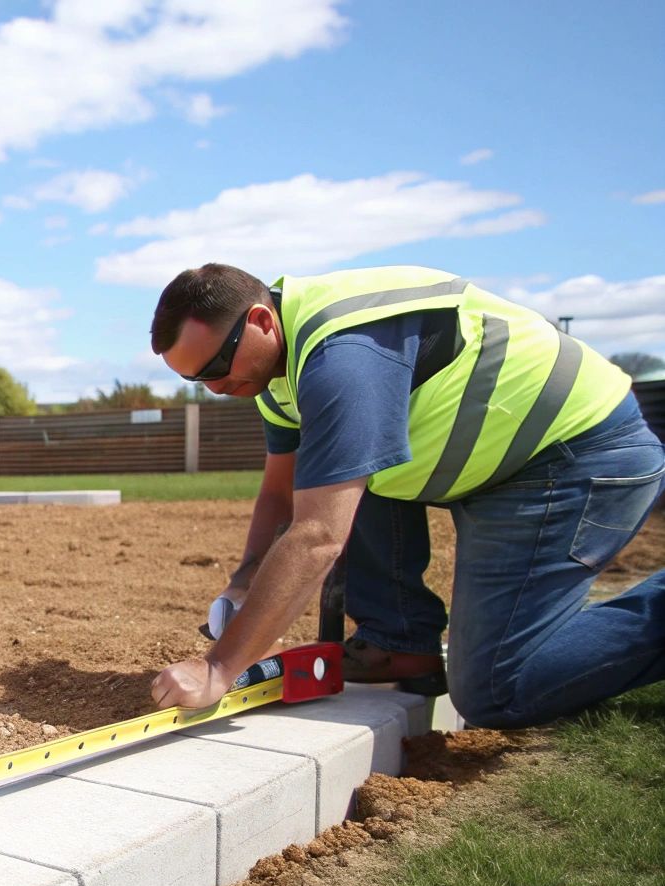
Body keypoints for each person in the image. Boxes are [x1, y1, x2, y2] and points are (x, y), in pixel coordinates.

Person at [145, 263, 664, 728]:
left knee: (496, 689)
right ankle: (400, 643)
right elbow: (280, 494)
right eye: (195, 380)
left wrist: (219, 668)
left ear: (260, 321)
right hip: (499, 463)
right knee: (338, 472)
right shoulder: (276, 368)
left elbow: (318, 536)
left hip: (570, 458)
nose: (212, 387)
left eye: (215, 368)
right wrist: (242, 582)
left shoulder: (343, 356)